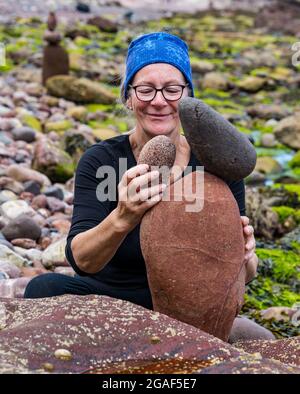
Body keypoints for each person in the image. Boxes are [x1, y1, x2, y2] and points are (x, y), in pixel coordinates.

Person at [24, 32, 258, 322]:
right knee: (43, 288)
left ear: (188, 97)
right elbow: (82, 262)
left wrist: (245, 257)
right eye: (145, 89)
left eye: (172, 89)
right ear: (128, 97)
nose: (159, 101)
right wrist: (123, 216)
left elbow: (245, 277)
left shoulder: (217, 163)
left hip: (185, 303)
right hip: (112, 296)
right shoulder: (101, 160)